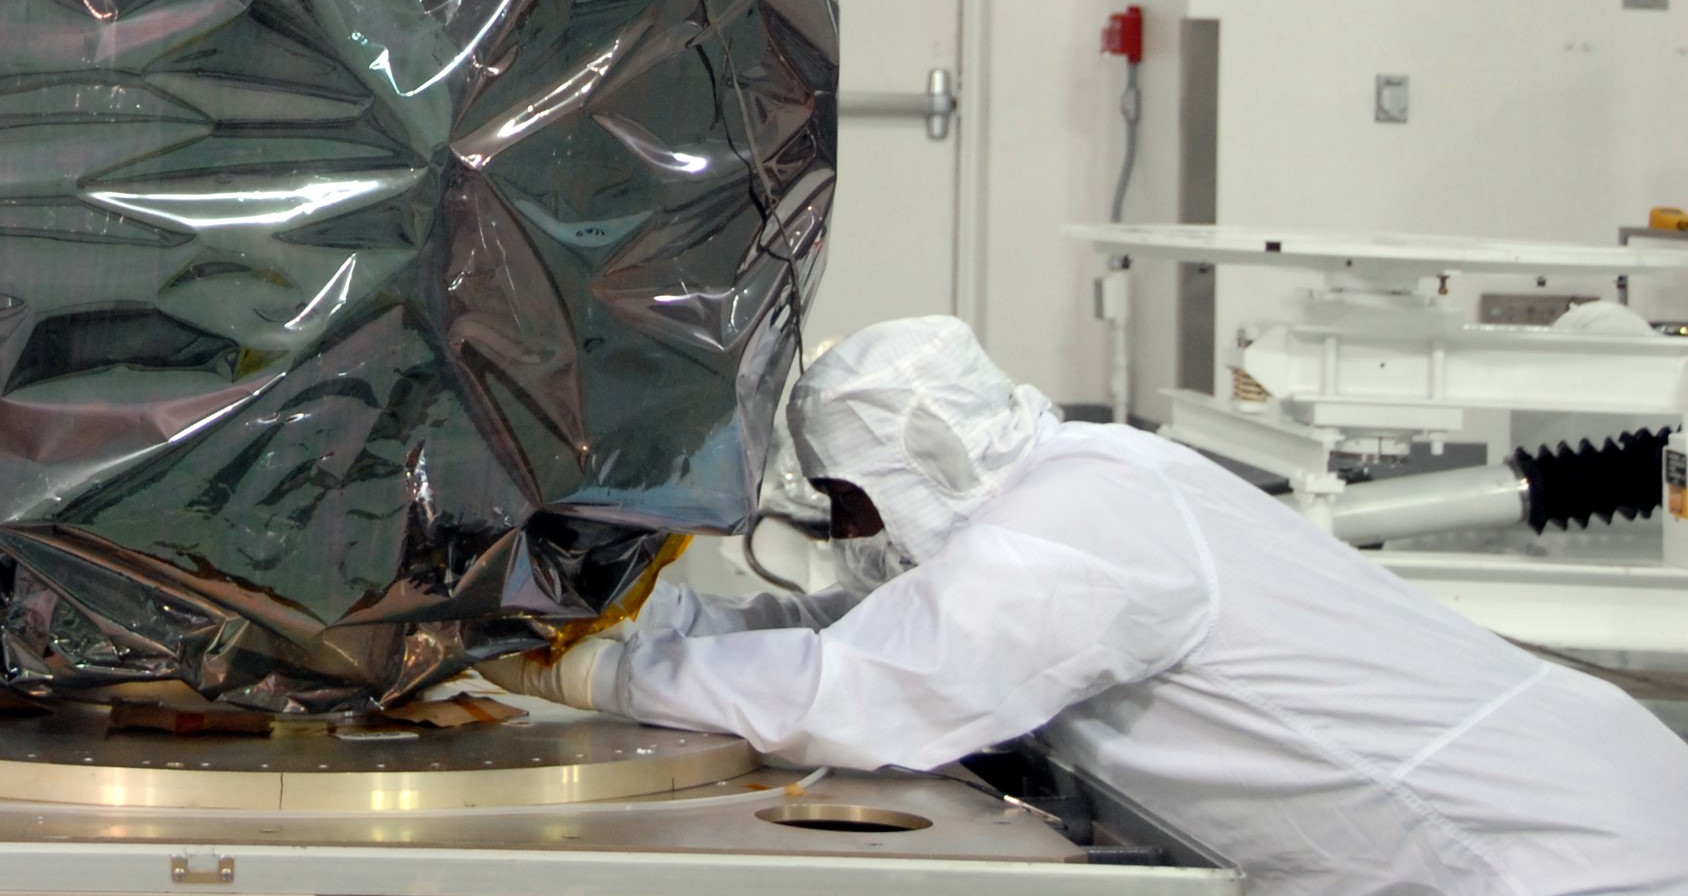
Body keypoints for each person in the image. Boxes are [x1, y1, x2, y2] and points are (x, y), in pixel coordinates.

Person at [492, 314, 1688, 894]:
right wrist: (624, 631)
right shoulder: (1058, 486)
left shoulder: (1075, 523)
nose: (847, 536)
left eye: (852, 504)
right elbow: (846, 630)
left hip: (1557, 854)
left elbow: (864, 692)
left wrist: (596, 673)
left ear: (923, 455)